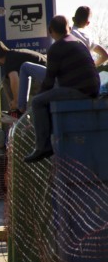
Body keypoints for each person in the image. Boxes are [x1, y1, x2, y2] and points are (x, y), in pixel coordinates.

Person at [25, 15, 100, 163]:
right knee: (49, 98)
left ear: (50, 31)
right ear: (69, 29)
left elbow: (49, 80)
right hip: (92, 88)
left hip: (79, 91)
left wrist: (37, 98)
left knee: (38, 102)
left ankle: (43, 147)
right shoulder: (78, 42)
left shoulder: (56, 48)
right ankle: (50, 137)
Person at [0, 40, 47, 118]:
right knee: (5, 79)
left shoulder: (9, 60)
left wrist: (15, 100)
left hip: (46, 77)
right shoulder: (13, 55)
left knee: (7, 80)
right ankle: (16, 111)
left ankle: (18, 111)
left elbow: (14, 80)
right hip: (45, 74)